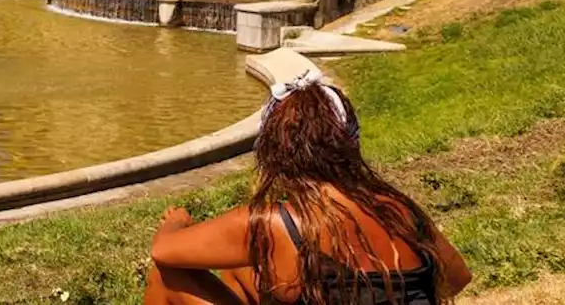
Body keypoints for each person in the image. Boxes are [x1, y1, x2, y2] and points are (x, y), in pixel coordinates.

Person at [145, 70, 472, 304]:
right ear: (350, 143)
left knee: (166, 275)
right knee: (246, 273)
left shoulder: (275, 224)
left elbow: (163, 250)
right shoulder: (399, 209)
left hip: (273, 237)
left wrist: (177, 220)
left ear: (274, 153)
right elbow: (456, 280)